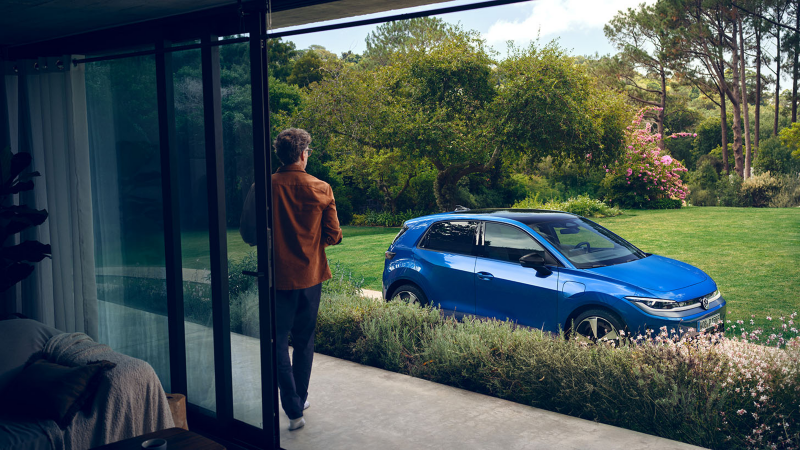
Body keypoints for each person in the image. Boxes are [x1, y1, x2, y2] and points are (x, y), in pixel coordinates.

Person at [271, 128, 342, 431]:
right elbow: (334, 235)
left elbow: (248, 232)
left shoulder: (264, 186)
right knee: (303, 341)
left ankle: (293, 408)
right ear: (302, 154)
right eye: (308, 151)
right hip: (311, 277)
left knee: (277, 342)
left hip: (277, 278)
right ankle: (299, 399)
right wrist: (313, 243)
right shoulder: (321, 188)